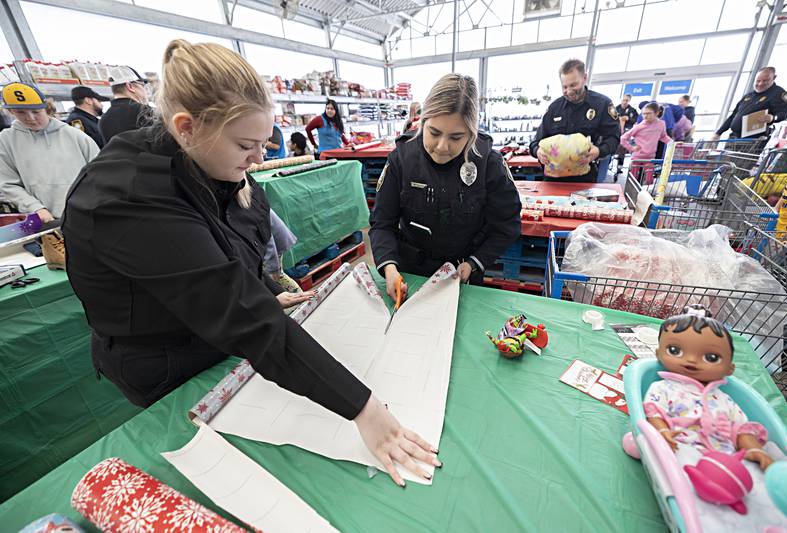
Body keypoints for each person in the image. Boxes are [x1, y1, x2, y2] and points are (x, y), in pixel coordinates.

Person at [62, 40, 439, 487]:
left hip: (219, 343)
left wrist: (266, 288)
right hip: (163, 361)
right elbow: (242, 316)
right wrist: (366, 410)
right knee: (216, 466)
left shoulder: (216, 165)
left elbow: (231, 254)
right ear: (186, 128)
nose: (259, 158)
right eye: (246, 145)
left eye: (263, 142)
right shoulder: (131, 198)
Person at [369, 73, 521, 300]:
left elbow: (507, 225)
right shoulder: (401, 159)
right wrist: (390, 269)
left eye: (456, 137)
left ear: (471, 133)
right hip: (410, 276)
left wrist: (475, 262)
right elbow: (382, 223)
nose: (442, 147)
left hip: (463, 275)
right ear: (422, 122)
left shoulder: (489, 162)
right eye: (434, 133)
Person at [645, 306, 772, 471]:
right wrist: (662, 431)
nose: (691, 360)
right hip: (679, 450)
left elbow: (741, 430)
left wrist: (755, 450)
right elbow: (653, 413)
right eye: (675, 350)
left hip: (728, 460)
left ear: (729, 369)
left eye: (711, 357)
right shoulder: (662, 388)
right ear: (658, 354)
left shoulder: (724, 400)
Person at [0, 82, 99, 223]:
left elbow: (100, 174)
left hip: (89, 215)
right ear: (11, 112)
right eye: (20, 112)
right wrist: (36, 208)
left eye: (36, 111)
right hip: (47, 220)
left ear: (46, 108)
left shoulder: (75, 135)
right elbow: (8, 183)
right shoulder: (5, 140)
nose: (30, 118)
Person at [530, 59, 620, 182]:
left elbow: (613, 138)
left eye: (573, 85)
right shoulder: (554, 108)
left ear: (584, 78)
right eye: (565, 87)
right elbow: (536, 142)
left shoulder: (602, 105)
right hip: (553, 181)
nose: (569, 91)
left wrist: (598, 151)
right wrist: (538, 151)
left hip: (584, 179)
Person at [712, 67, 787, 141]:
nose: (760, 84)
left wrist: (773, 117)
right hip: (734, 138)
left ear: (774, 78)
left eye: (765, 81)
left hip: (754, 141)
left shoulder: (778, 93)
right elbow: (733, 116)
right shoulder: (749, 96)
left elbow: (784, 113)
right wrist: (718, 133)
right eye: (758, 81)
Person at [98, 65, 154, 144]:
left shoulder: (104, 119)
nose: (145, 91)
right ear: (130, 86)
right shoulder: (143, 111)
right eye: (142, 85)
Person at [620, 103, 671, 184]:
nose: (645, 116)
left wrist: (673, 143)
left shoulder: (661, 124)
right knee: (632, 180)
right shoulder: (639, 127)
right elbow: (623, 138)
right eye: (644, 114)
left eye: (649, 113)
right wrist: (631, 148)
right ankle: (631, 195)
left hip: (650, 157)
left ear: (657, 113)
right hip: (637, 157)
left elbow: (663, 136)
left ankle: (645, 195)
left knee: (649, 181)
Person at [614, 94, 638, 179]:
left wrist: (628, 119)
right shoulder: (616, 108)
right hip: (616, 132)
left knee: (622, 148)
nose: (624, 102)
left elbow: (635, 120)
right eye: (623, 100)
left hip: (626, 133)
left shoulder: (632, 110)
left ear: (629, 100)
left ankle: (619, 166)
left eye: (626, 100)